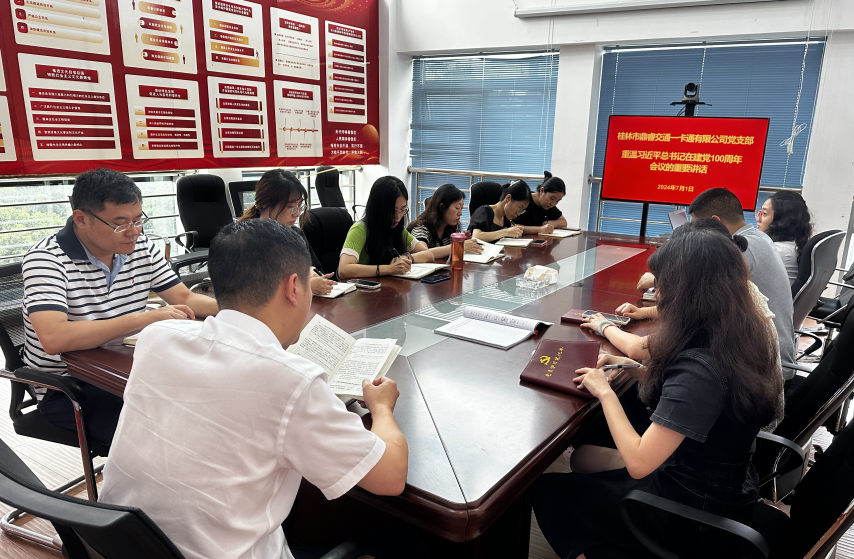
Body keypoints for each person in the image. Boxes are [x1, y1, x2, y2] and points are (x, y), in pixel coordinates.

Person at [99, 220, 412, 559]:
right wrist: (381, 408)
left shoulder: (157, 338)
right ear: (294, 287)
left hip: (118, 546)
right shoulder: (292, 381)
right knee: (407, 544)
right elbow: (390, 477)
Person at [531, 226, 783, 559]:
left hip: (691, 515)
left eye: (662, 285)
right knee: (585, 457)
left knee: (549, 491)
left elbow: (639, 462)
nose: (658, 294)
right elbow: (704, 402)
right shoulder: (738, 332)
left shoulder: (700, 368)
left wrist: (605, 392)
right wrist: (631, 367)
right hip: (722, 486)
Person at [21, 168, 219, 450]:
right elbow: (54, 338)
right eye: (120, 223)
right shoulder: (46, 260)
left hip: (126, 368)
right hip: (68, 387)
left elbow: (184, 297)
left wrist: (240, 309)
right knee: (161, 440)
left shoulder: (141, 246)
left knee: (207, 410)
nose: (134, 231)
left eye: (138, 220)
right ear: (81, 218)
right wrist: (143, 318)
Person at [584, 219, 779, 365]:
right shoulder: (734, 291)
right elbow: (689, 307)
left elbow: (637, 348)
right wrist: (644, 312)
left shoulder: (708, 327)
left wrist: (604, 326)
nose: (658, 293)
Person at [688, 187, 796, 381]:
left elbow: (701, 304)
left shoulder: (741, 249)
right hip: (769, 355)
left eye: (697, 228)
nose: (695, 235)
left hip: (764, 370)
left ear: (715, 222)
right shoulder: (758, 237)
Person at [239, 168, 336, 296]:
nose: (297, 213)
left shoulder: (296, 234)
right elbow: (252, 289)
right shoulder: (246, 239)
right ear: (266, 204)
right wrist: (304, 286)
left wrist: (313, 273)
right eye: (291, 207)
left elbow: (315, 267)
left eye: (299, 206)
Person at [338, 176, 433, 280]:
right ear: (379, 208)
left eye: (403, 209)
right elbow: (344, 270)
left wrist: (406, 258)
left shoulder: (397, 229)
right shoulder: (360, 229)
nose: (398, 216)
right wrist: (389, 269)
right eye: (393, 211)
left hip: (389, 286)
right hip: (364, 289)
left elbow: (428, 254)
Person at [407, 183, 483, 260]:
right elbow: (421, 253)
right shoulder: (421, 227)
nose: (460, 213)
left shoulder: (451, 226)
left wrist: (461, 241)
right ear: (442, 207)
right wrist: (458, 245)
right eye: (457, 208)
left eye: (461, 208)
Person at [755, 191, 813, 284]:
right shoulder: (793, 245)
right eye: (760, 213)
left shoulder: (778, 251)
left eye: (764, 214)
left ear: (781, 221)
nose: (758, 218)